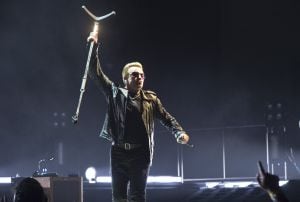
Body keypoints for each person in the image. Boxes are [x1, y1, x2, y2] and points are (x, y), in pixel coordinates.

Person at [87, 32, 190, 202]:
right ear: (125, 79)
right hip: (119, 152)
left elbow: (167, 118)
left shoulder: (151, 99)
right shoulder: (115, 94)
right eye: (135, 75)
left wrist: (179, 132)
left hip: (140, 154)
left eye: (141, 75)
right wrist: (93, 46)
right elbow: (95, 73)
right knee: (119, 197)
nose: (139, 78)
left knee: (137, 197)